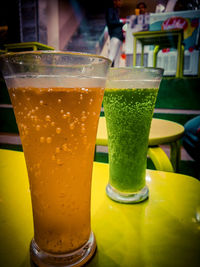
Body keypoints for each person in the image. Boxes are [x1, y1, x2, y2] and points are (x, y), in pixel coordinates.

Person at [106, 0, 124, 67]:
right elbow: (110, 22)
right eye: (120, 1)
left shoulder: (116, 11)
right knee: (111, 57)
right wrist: (121, 23)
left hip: (119, 36)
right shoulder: (110, 10)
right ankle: (106, 74)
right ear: (114, 1)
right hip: (115, 36)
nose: (121, 2)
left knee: (117, 60)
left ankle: (115, 76)